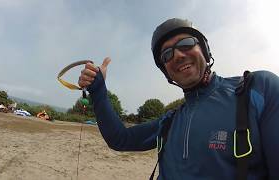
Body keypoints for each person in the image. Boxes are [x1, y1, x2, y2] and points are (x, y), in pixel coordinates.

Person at [78, 18, 279, 179]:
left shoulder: (259, 89)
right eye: (167, 54)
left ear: (205, 50)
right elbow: (120, 139)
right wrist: (98, 91)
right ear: (166, 71)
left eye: (186, 43)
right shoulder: (170, 121)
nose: (177, 56)